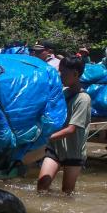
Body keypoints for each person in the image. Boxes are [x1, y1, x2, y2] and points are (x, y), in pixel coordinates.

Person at [37, 56, 92, 194]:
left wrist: (45, 138)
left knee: (67, 192)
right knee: (42, 185)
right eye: (59, 71)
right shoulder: (62, 93)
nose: (60, 76)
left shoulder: (83, 99)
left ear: (75, 74)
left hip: (73, 151)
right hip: (55, 148)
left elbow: (71, 129)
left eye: (64, 72)